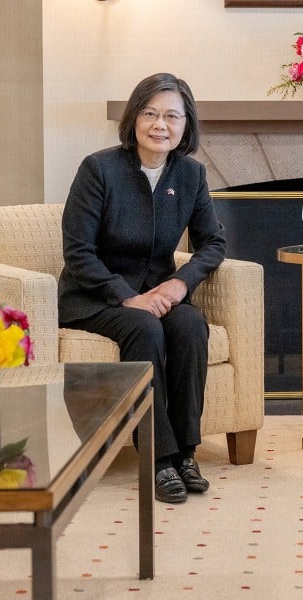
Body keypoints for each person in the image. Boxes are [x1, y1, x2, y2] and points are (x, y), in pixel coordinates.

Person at [58, 72, 226, 505]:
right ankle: (159, 457)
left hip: (157, 294)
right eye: (150, 113)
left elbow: (213, 243)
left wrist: (179, 283)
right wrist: (127, 296)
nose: (160, 125)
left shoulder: (190, 174)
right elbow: (78, 252)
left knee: (191, 326)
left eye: (172, 116)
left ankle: (187, 451)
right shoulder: (99, 169)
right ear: (134, 119)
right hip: (95, 296)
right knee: (144, 329)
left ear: (186, 125)